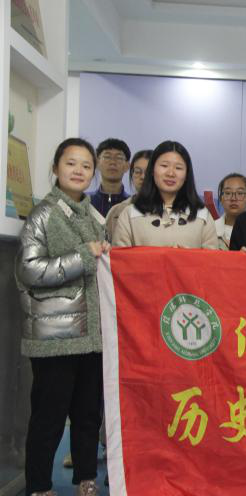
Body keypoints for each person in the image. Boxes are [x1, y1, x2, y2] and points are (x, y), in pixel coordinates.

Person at [16, 138, 109, 496]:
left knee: (87, 415)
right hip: (55, 337)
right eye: (71, 163)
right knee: (49, 417)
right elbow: (29, 270)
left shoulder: (93, 217)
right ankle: (39, 486)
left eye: (86, 166)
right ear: (55, 168)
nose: (79, 171)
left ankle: (86, 479)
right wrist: (83, 257)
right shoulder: (42, 214)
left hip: (91, 335)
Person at [112, 141, 217, 249]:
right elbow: (120, 257)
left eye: (178, 168)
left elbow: (212, 258)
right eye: (164, 165)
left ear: (186, 174)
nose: (170, 173)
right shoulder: (130, 214)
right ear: (152, 170)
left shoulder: (202, 215)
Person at [104, 149, 151, 240]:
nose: (143, 177)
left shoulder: (170, 210)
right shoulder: (116, 211)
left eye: (148, 172)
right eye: (137, 172)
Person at [90, 138, 131, 217]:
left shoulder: (133, 204)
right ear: (97, 163)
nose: (112, 162)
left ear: (127, 166)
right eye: (107, 157)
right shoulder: (86, 202)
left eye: (119, 158)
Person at [215, 173, 246, 249]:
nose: (233, 198)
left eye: (240, 193)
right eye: (228, 193)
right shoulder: (211, 229)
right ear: (221, 198)